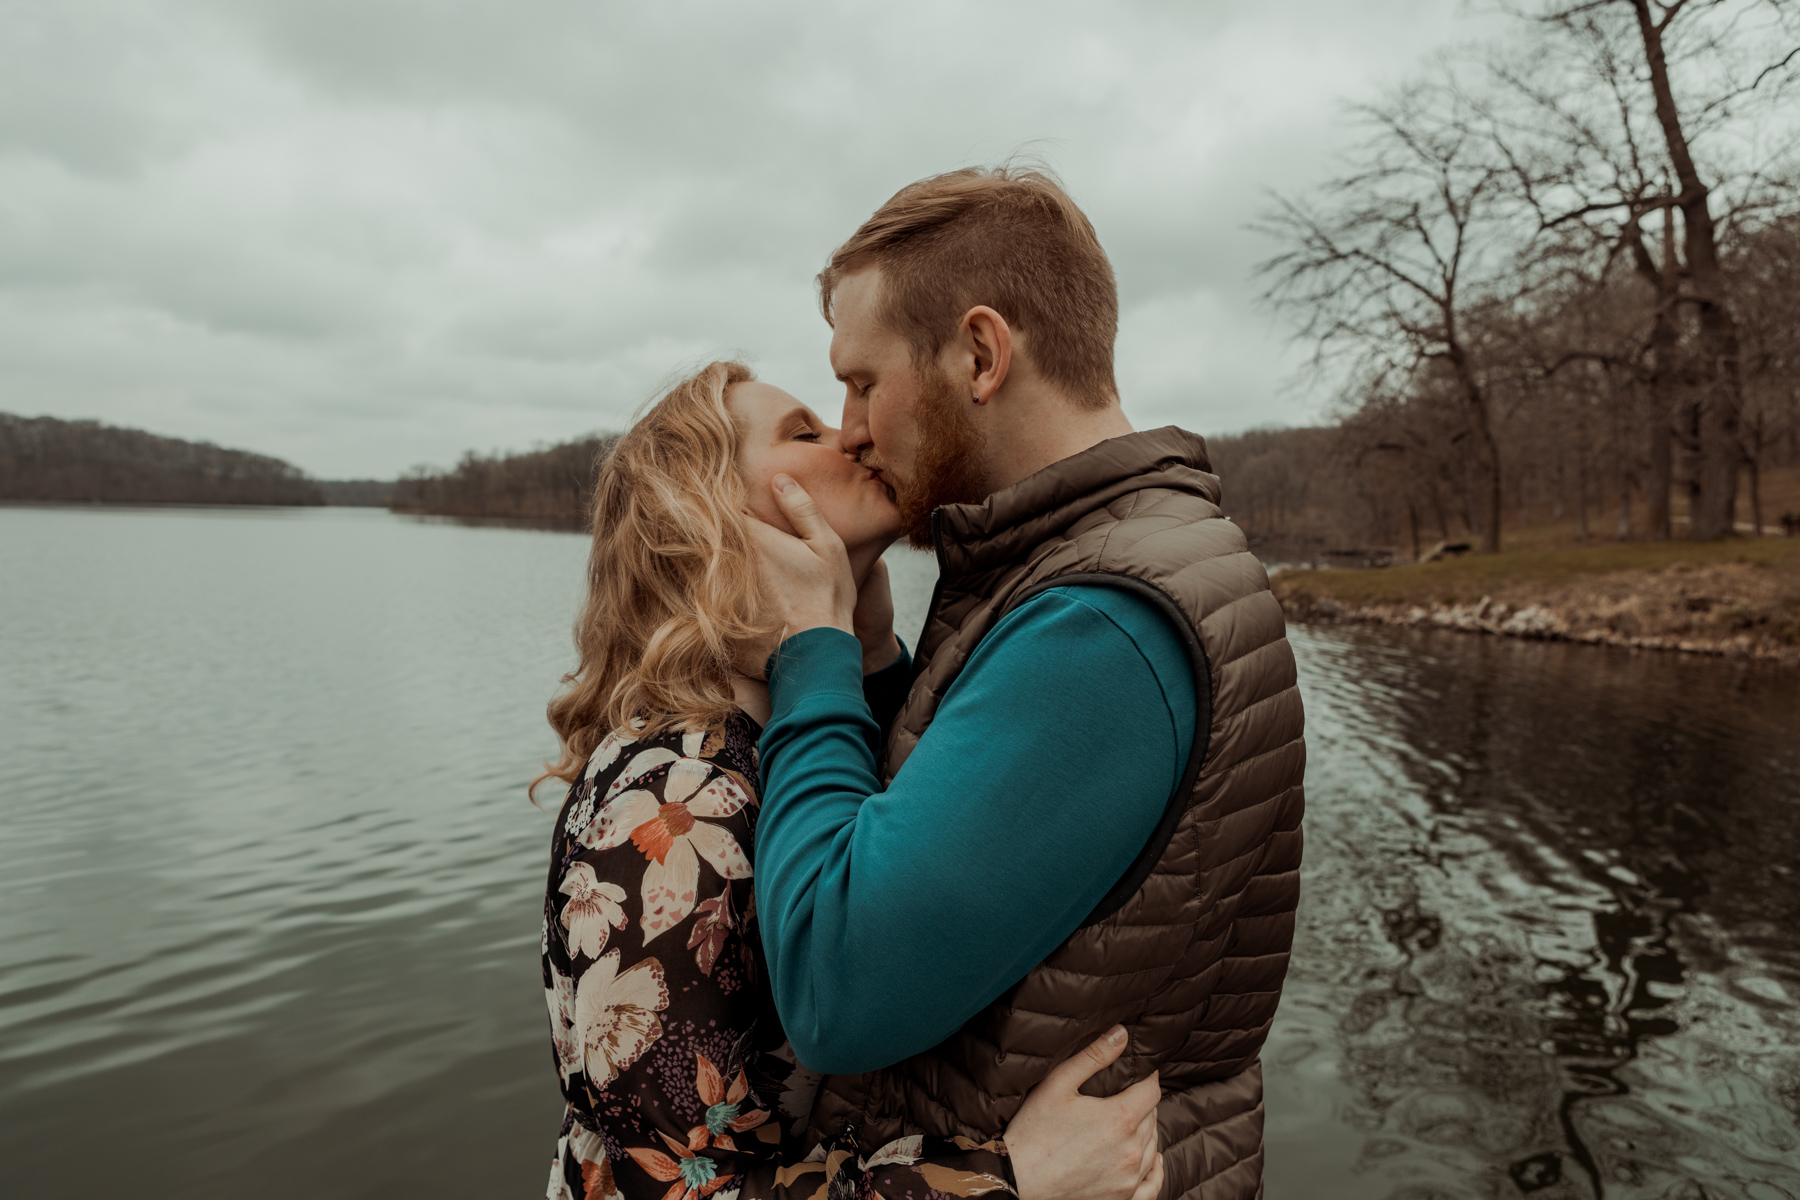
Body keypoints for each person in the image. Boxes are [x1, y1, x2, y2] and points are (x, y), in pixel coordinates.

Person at [744, 166, 1306, 1200]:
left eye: (863, 382)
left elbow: (838, 987)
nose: (851, 427)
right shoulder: (1092, 567)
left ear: (981, 353)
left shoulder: (1102, 621)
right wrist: (874, 663)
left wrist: (812, 650)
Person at [535, 361, 1165, 1200]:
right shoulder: (672, 802)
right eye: (804, 433)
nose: (853, 433)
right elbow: (684, 1192)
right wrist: (1006, 1180)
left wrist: (863, 662)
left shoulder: (760, 742)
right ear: (710, 521)